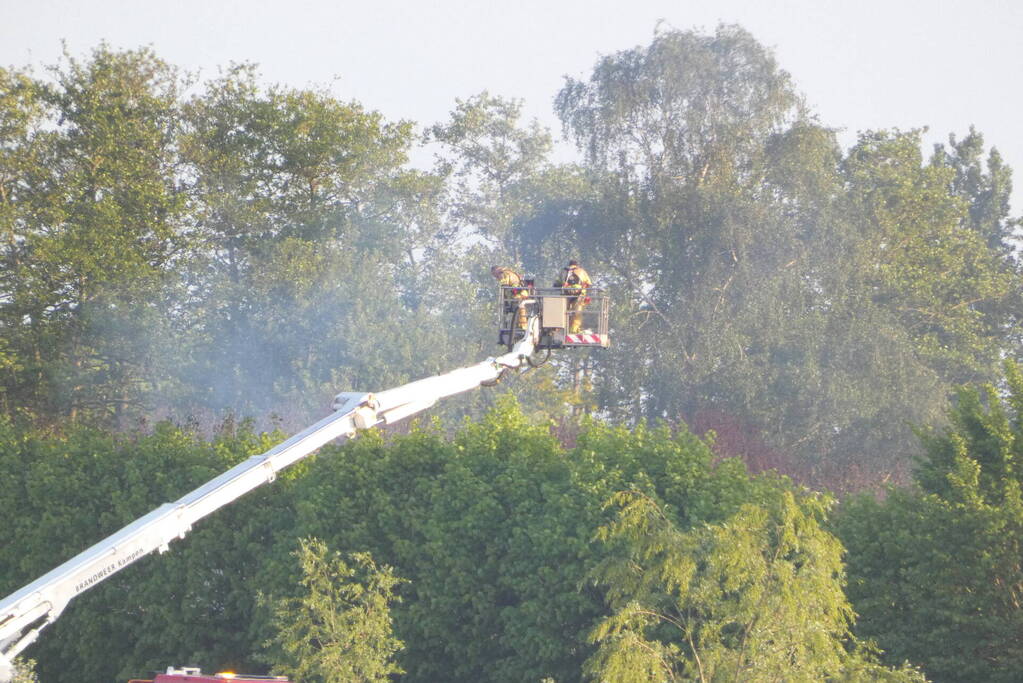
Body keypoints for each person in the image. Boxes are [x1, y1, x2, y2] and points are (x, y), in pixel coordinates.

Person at [557, 260, 592, 333]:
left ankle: (560, 330)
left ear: (569, 264)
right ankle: (573, 330)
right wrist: (587, 295)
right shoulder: (581, 271)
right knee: (577, 313)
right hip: (579, 294)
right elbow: (588, 284)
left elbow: (556, 283)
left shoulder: (563, 271)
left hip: (565, 294)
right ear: (576, 265)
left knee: (562, 312)